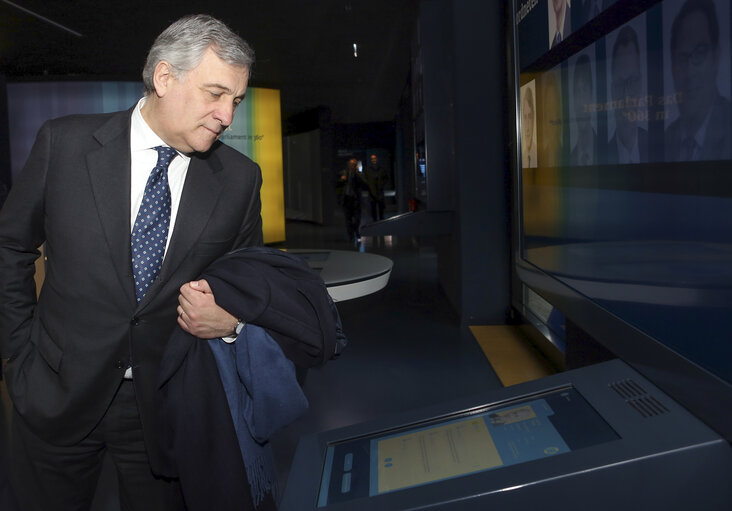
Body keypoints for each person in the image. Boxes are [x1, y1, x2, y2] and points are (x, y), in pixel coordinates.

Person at [0, 14, 263, 510]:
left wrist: (232, 319)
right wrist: (17, 354)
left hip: (165, 407)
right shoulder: (64, 144)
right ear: (165, 77)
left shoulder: (239, 180)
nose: (226, 115)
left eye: (235, 100)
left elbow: (246, 279)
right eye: (215, 93)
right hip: (53, 392)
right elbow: (10, 247)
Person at [665, 0, 731, 162]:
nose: (689, 71)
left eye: (699, 53)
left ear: (716, 57)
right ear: (673, 68)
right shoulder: (666, 138)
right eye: (682, 57)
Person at [608, 24, 649, 164]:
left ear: (640, 85)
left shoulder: (660, 147)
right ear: (612, 90)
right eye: (620, 84)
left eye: (632, 81)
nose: (626, 97)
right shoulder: (601, 153)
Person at [570, 53, 598, 166]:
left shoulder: (607, 149)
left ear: (592, 96)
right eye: (577, 92)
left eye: (584, 90)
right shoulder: (569, 158)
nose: (581, 102)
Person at [339, 157, 366, 243]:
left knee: (357, 218)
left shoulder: (359, 174)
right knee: (348, 219)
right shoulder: (344, 173)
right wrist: (341, 179)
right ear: (348, 165)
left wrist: (357, 173)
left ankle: (356, 231)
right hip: (347, 199)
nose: (352, 166)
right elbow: (337, 183)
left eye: (354, 165)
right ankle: (351, 235)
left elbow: (364, 184)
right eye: (351, 164)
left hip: (356, 199)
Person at [363, 153, 388, 222]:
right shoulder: (367, 170)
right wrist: (368, 187)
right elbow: (365, 179)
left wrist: (382, 184)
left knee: (381, 210)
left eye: (375, 158)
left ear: (377, 159)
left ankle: (381, 223)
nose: (373, 160)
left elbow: (386, 178)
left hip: (379, 192)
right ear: (370, 160)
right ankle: (375, 223)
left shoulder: (382, 169)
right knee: (373, 210)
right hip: (372, 193)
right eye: (372, 159)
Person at [521, 85, 537, 168]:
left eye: (530, 117)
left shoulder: (537, 154)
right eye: (525, 117)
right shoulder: (522, 157)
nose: (527, 127)